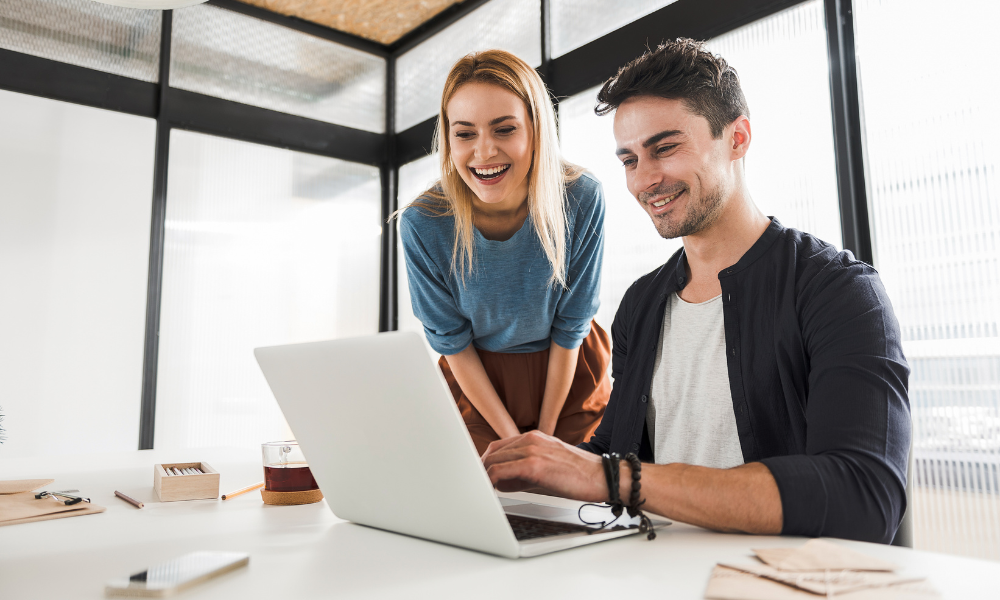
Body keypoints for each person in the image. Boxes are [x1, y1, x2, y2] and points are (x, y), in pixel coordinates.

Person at [481, 38, 911, 544]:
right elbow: (614, 453)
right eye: (628, 160)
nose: (645, 179)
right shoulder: (642, 303)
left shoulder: (838, 291)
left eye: (665, 148)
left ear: (738, 137)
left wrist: (609, 477)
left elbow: (863, 497)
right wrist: (526, 475)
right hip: (656, 574)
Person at [398, 50, 610, 456]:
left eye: (504, 129)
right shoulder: (423, 224)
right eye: (464, 134)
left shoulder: (582, 198)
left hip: (568, 372)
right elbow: (453, 342)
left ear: (535, 130)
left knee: (575, 495)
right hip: (478, 382)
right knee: (490, 499)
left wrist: (544, 440)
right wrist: (514, 440)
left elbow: (572, 326)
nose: (484, 152)